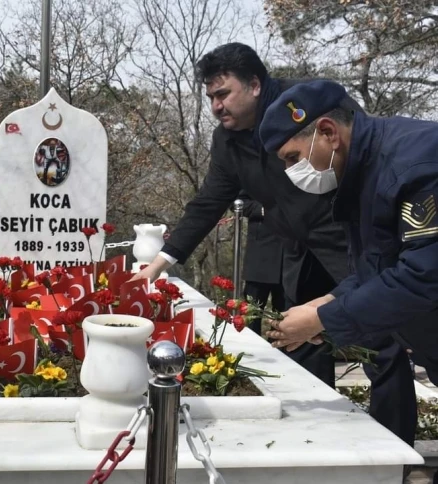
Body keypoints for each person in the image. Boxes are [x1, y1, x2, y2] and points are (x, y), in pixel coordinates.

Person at [132, 43, 418, 449]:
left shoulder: (307, 104)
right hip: (297, 248)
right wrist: (161, 261)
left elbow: (360, 154)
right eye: (210, 97)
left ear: (254, 84)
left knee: (380, 343)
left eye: (223, 93)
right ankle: (315, 443)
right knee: (303, 339)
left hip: (347, 240)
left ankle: (395, 450)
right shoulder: (227, 140)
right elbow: (210, 200)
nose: (216, 106)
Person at [259, 80, 438, 388]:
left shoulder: (415, 163)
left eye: (293, 158)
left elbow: (422, 275)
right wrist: (327, 302)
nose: (290, 172)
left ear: (328, 133)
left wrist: (322, 319)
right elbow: (378, 266)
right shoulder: (363, 172)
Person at [239, 191, 285, 335]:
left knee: (285, 318)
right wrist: (263, 209)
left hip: (292, 257)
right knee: (251, 317)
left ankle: (279, 348)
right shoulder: (254, 177)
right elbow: (239, 201)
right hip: (260, 255)